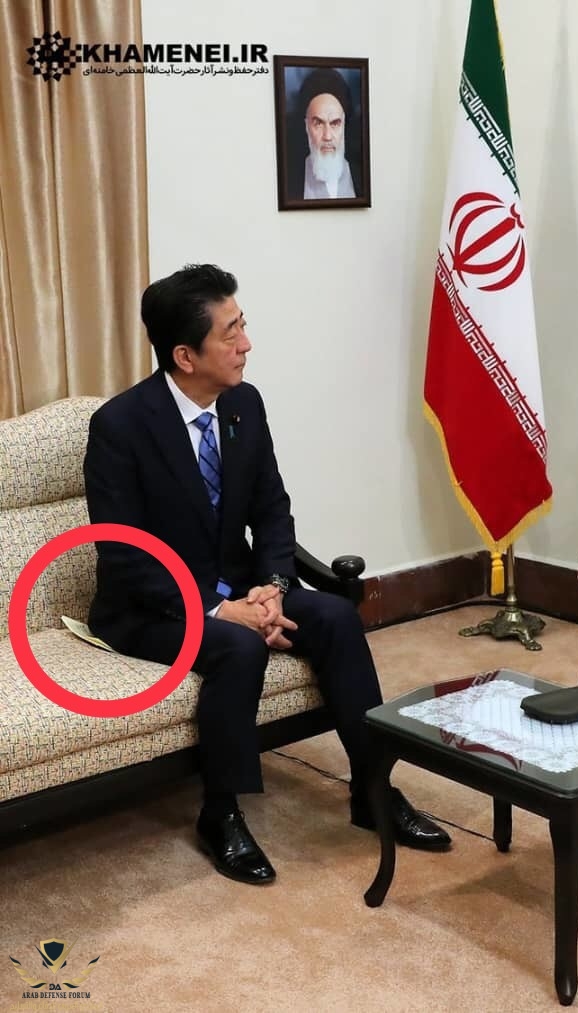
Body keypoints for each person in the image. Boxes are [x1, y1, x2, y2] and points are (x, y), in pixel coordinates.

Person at [83, 264, 451, 886]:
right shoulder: (121, 427)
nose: (246, 344)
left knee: (334, 615)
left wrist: (274, 589)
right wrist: (218, 608)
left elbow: (273, 511)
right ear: (185, 356)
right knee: (237, 645)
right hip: (150, 608)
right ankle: (221, 812)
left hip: (243, 587)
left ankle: (372, 788)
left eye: (242, 325)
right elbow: (125, 555)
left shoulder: (244, 405)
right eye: (230, 333)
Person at [286, 67, 361, 201]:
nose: (327, 136)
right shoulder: (289, 182)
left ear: (344, 125)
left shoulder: (362, 177)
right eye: (318, 124)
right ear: (306, 126)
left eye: (335, 123)